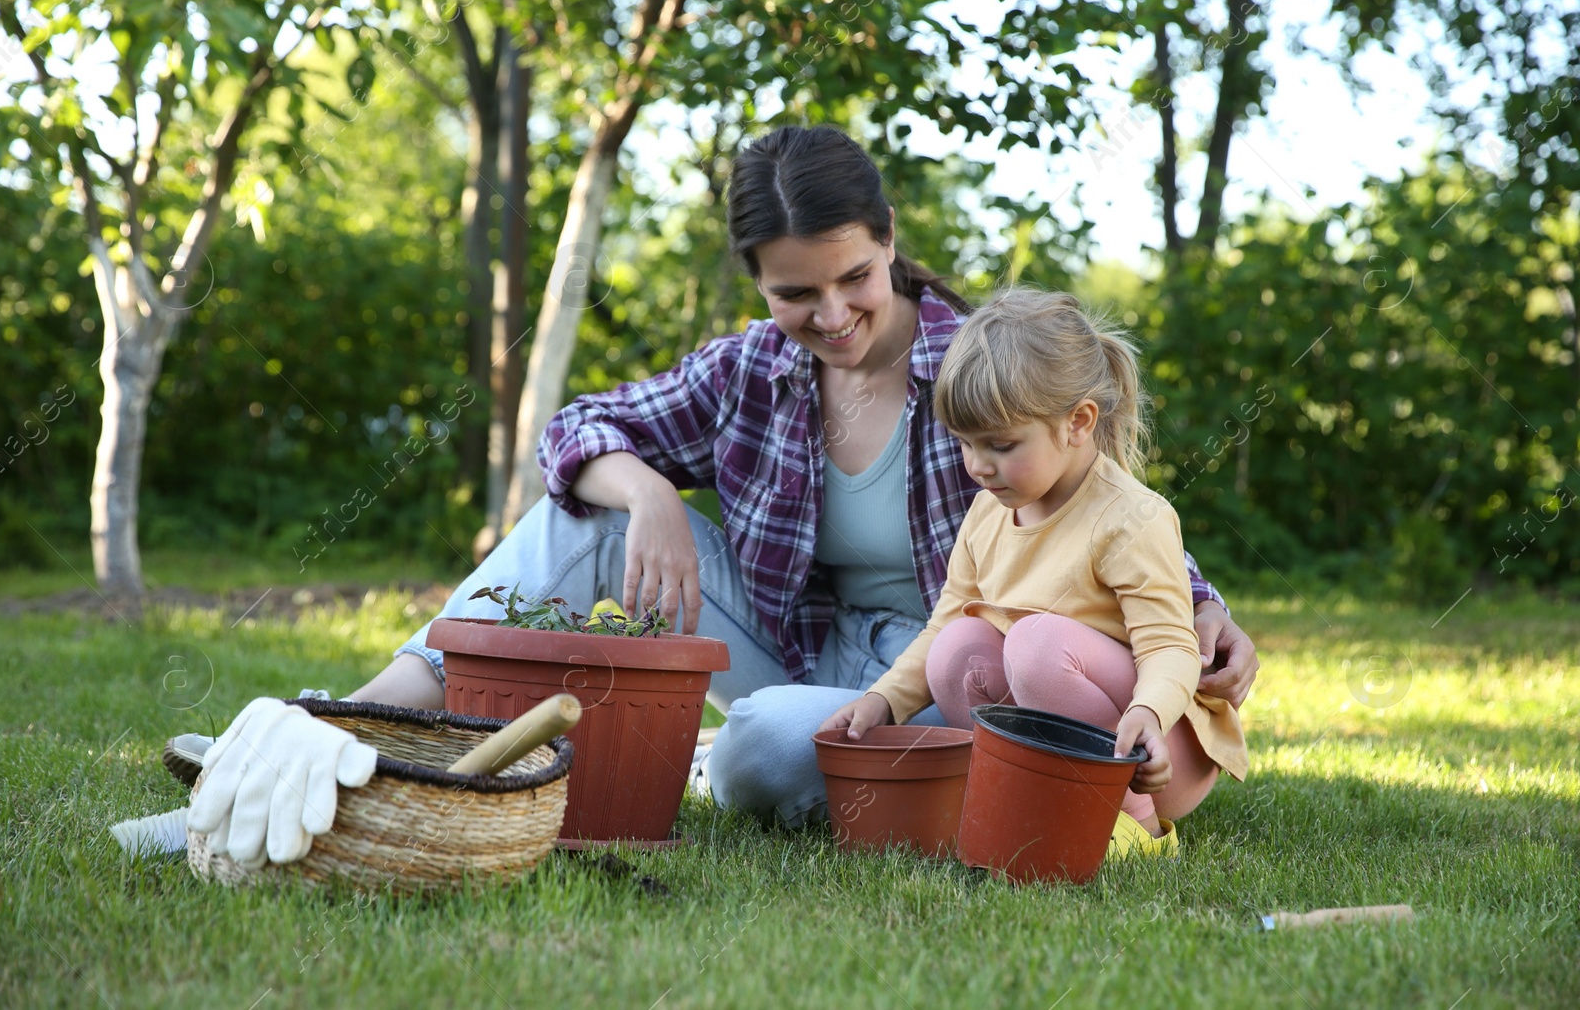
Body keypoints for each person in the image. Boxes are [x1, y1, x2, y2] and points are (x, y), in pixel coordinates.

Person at [185, 125, 1259, 865]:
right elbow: (577, 430)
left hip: (945, 668)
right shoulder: (750, 369)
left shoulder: (973, 363)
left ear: (888, 239)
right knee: (578, 514)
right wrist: (648, 493)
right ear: (754, 279)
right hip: (805, 647)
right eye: (795, 292)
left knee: (753, 756)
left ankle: (942, 782)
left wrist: (1202, 608)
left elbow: (1099, 500)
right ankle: (348, 726)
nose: (832, 313)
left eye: (853, 278)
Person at [821, 288, 1248, 854]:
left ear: (1078, 422)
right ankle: (1025, 796)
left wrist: (1147, 712)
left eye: (999, 445)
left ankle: (1137, 827)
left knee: (1035, 642)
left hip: (1156, 748)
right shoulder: (987, 513)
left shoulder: (1131, 517)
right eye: (965, 444)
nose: (977, 466)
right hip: (1070, 735)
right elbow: (939, 629)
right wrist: (883, 700)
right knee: (959, 645)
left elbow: (1169, 645)